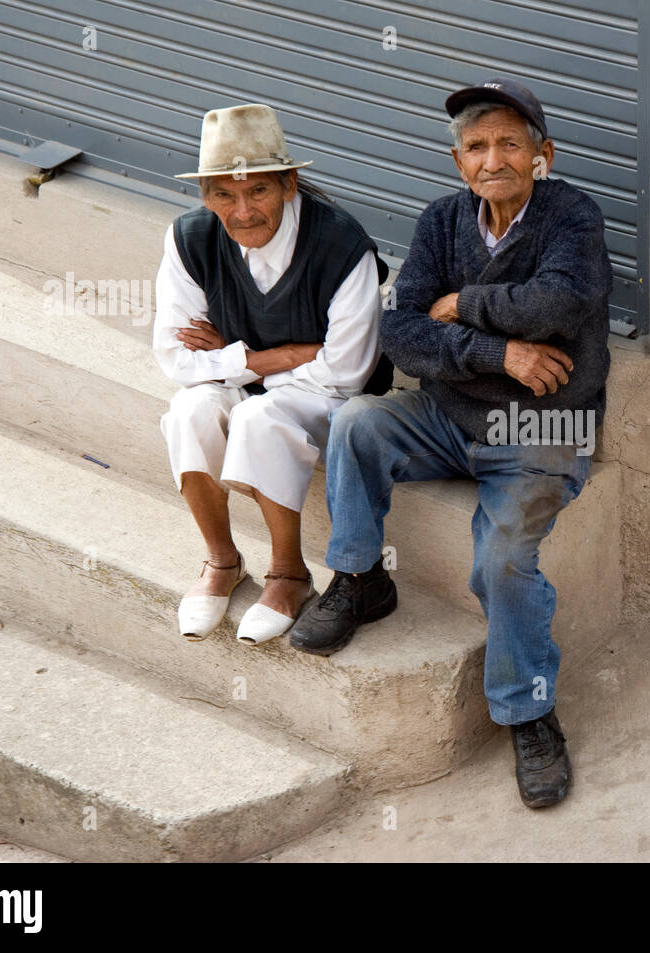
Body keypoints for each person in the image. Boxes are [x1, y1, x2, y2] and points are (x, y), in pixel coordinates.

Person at [288, 79, 612, 808]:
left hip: (541, 431)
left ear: (542, 155)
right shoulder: (441, 222)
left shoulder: (573, 219)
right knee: (358, 423)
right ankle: (361, 579)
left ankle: (528, 712)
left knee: (501, 557)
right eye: (475, 146)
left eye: (508, 143)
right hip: (450, 417)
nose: (491, 158)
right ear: (458, 162)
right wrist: (502, 354)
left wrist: (462, 306)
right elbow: (401, 331)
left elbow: (559, 304)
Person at [154, 103, 391, 645]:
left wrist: (233, 363)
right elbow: (175, 359)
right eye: (222, 195)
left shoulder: (341, 245)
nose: (241, 212)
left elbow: (348, 371)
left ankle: (289, 572)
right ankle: (222, 560)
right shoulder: (189, 239)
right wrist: (274, 358)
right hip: (269, 379)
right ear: (205, 196)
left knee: (258, 416)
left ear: (288, 184)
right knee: (189, 409)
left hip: (333, 406)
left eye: (257, 191)